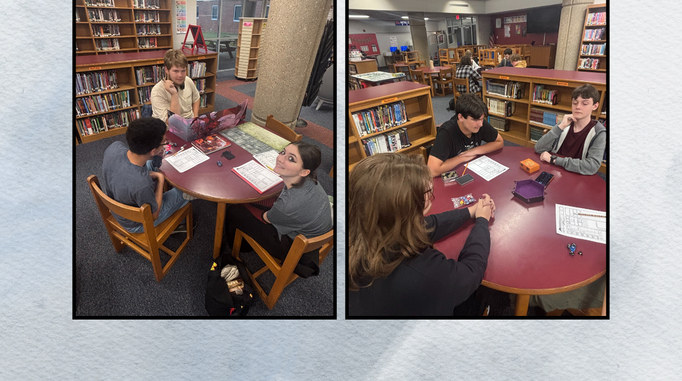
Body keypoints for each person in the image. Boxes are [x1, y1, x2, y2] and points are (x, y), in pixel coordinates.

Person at [348, 152, 493, 318]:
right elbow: (471, 273)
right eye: (428, 191)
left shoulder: (366, 227)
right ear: (408, 206)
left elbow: (427, 225)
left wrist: (470, 211)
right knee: (487, 296)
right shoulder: (425, 271)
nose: (431, 195)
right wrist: (482, 221)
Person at [223, 141, 332, 271]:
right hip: (311, 231)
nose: (280, 158)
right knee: (262, 202)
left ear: (304, 171)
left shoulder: (287, 205)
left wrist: (243, 202)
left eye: (291, 159)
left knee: (235, 210)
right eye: (283, 152)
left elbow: (265, 218)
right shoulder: (310, 180)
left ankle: (243, 247)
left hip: (295, 249)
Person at [100, 117, 187, 233]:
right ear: (153, 151)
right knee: (184, 192)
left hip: (118, 204)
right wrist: (160, 180)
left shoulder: (114, 147)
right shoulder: (142, 184)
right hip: (136, 224)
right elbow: (154, 215)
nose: (164, 145)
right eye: (163, 143)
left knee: (150, 163)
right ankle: (177, 224)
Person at [534, 84, 606, 175]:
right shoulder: (564, 124)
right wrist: (559, 127)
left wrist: (555, 160)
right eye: (575, 103)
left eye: (584, 103)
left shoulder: (598, 132)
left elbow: (592, 166)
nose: (578, 107)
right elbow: (539, 148)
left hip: (577, 176)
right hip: (554, 171)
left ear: (595, 106)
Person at [428, 93, 504, 178]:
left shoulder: (478, 123)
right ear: (460, 117)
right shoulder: (446, 133)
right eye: (475, 120)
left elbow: (499, 141)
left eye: (482, 119)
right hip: (451, 175)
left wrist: (474, 150)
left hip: (470, 170)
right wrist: (461, 158)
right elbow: (432, 171)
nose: (481, 124)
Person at [150, 50, 200, 122]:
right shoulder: (157, 91)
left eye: (183, 71)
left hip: (189, 123)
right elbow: (172, 122)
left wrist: (195, 117)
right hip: (169, 128)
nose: (180, 75)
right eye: (176, 71)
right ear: (167, 70)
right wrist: (174, 95)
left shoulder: (188, 80)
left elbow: (196, 98)